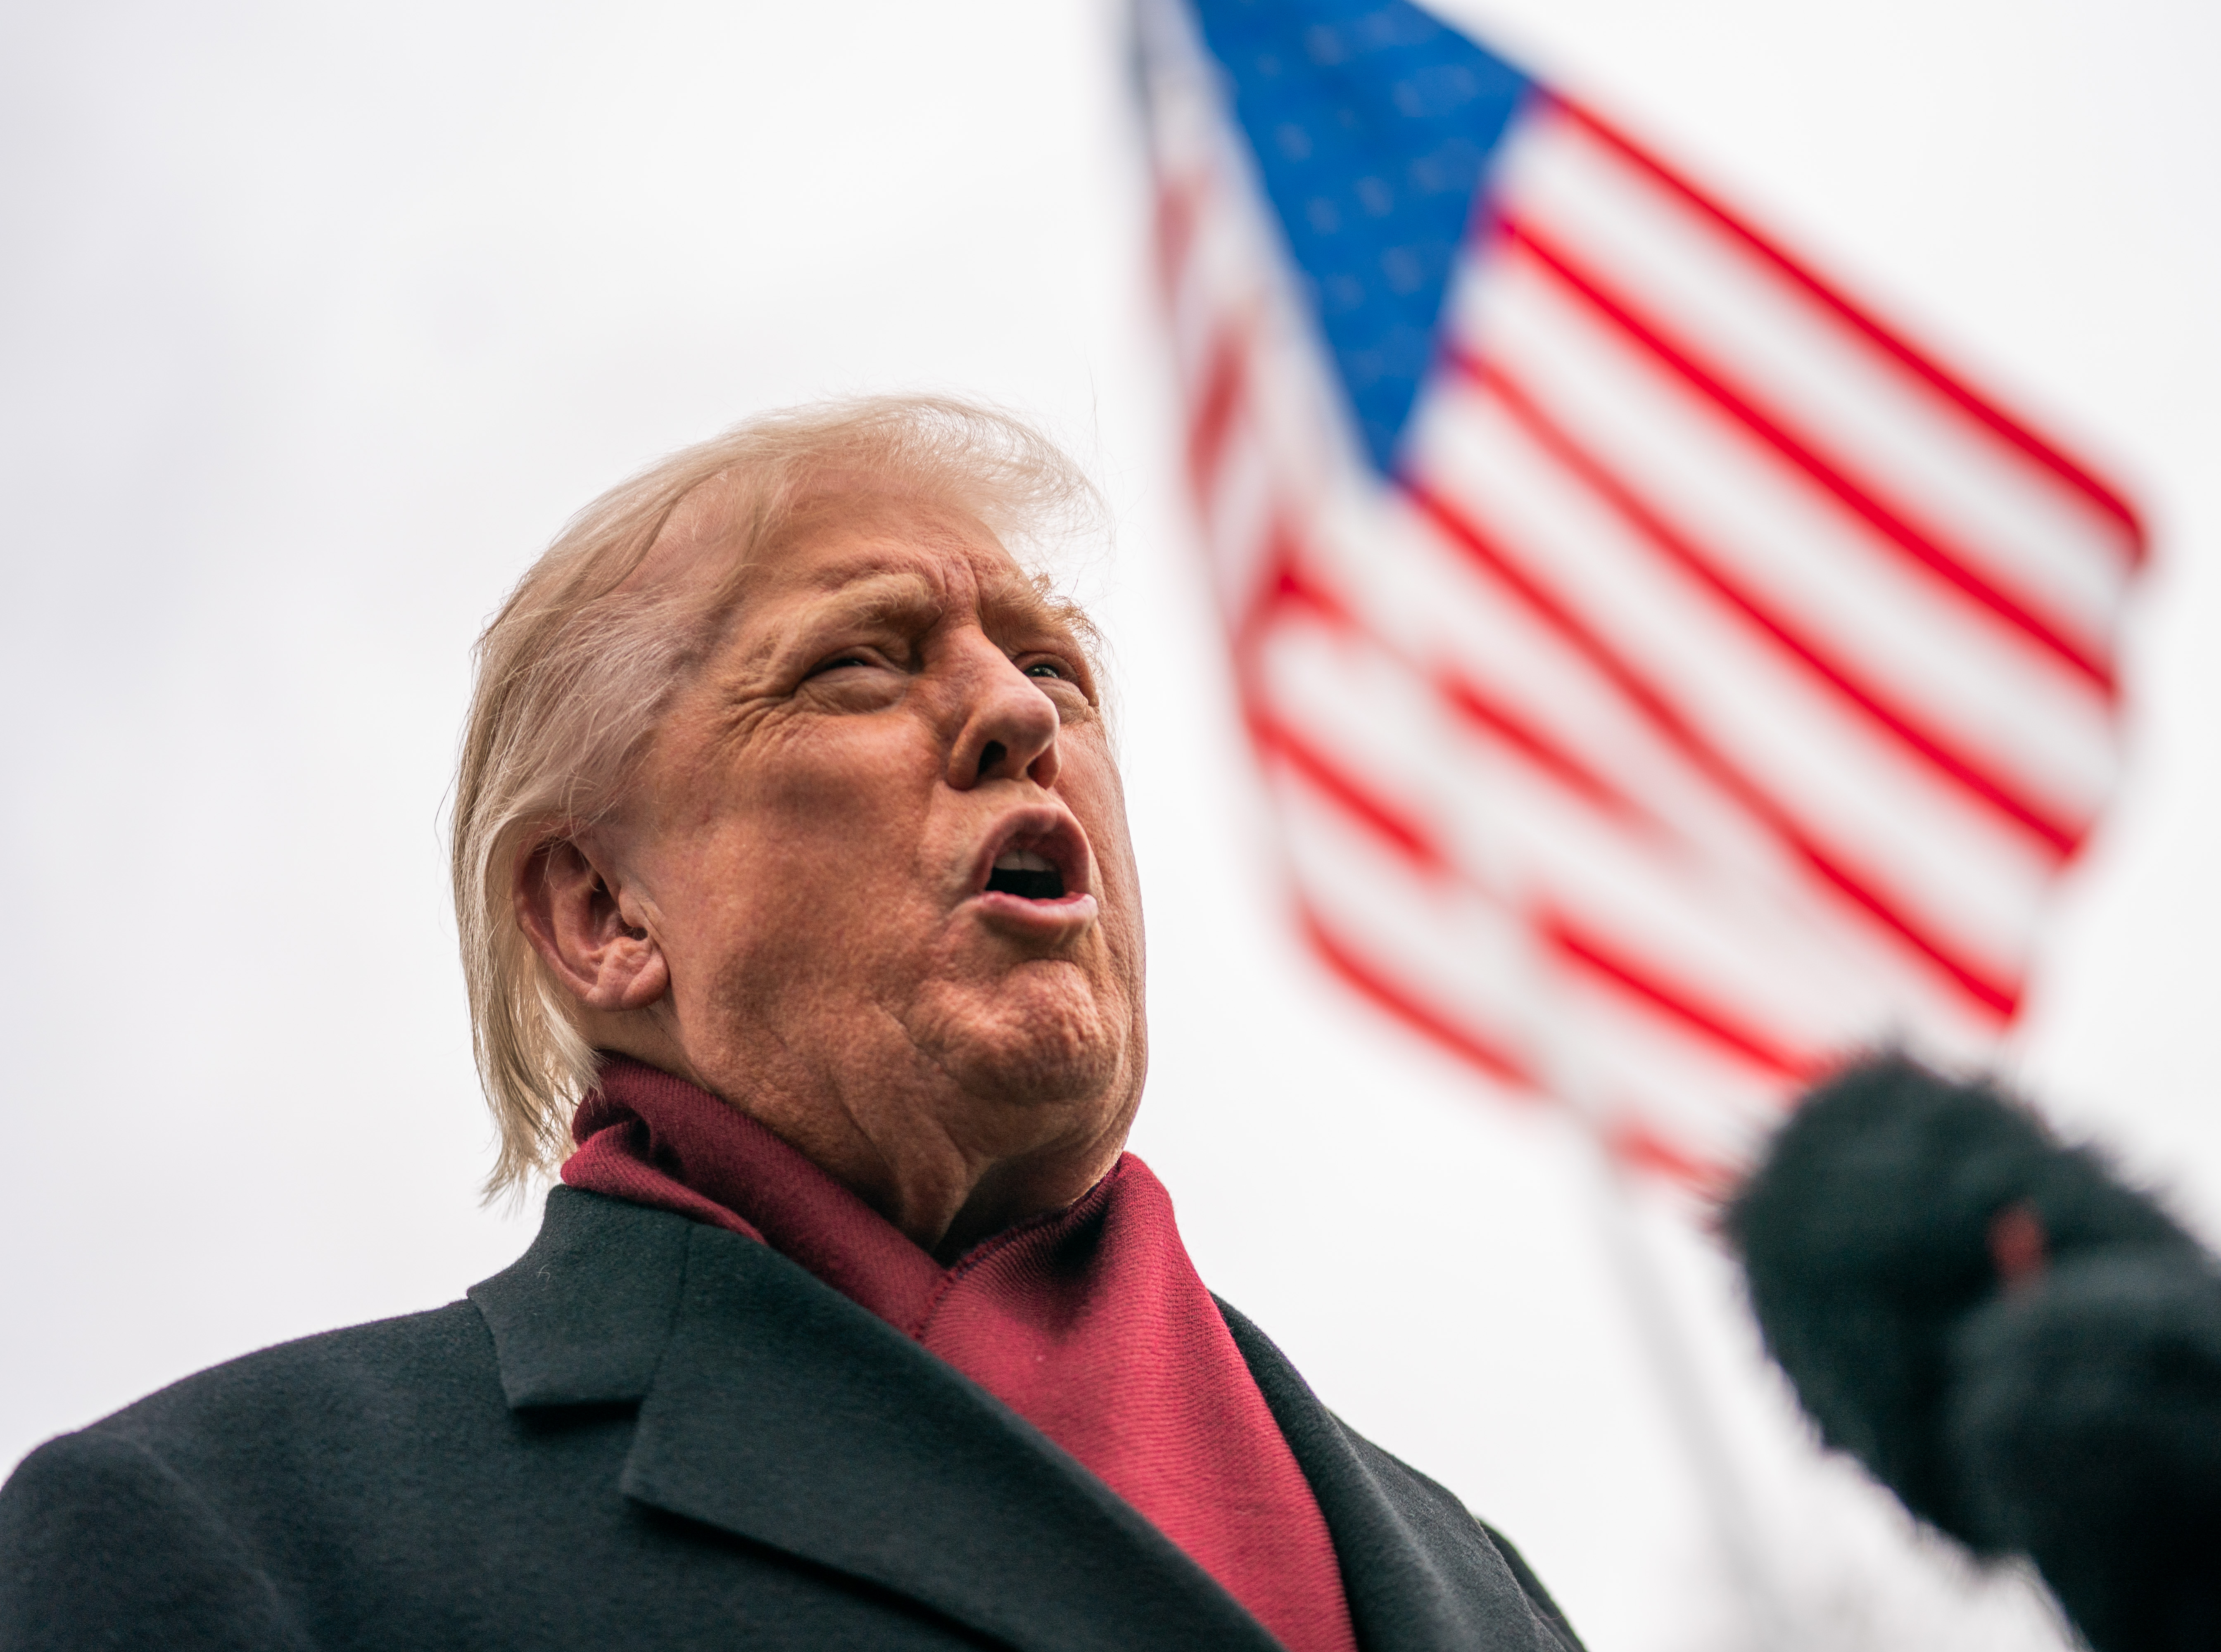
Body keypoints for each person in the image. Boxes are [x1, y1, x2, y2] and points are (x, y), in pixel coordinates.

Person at [0, 397, 1583, 1652]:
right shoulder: (229, 1539)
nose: (1024, 714)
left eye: (1054, 667)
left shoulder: (1475, 1577)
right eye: (857, 665)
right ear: (607, 916)